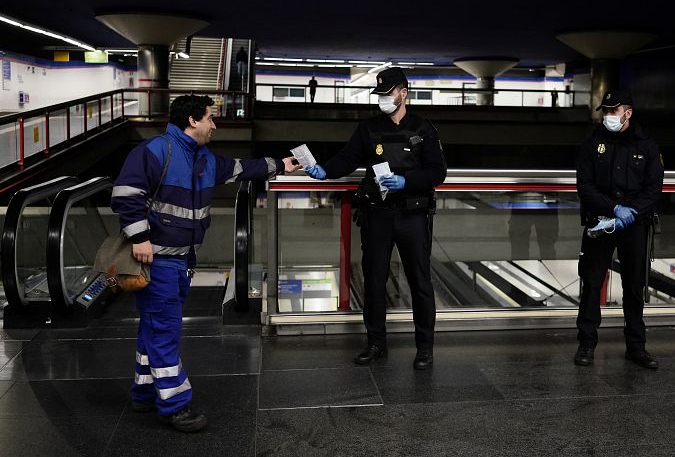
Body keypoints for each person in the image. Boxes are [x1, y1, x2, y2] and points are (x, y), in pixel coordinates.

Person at [111, 95, 299, 432]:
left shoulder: (203, 159)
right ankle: (175, 404)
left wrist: (281, 165)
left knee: (153, 328)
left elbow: (242, 168)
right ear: (193, 120)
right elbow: (125, 194)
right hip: (159, 262)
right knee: (165, 331)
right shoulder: (156, 151)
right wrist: (140, 238)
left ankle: (144, 391)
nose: (214, 125)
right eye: (210, 118)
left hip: (181, 260)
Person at [305, 67, 447, 370]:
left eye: (387, 93)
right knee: (374, 281)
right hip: (377, 214)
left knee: (420, 282)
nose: (382, 99)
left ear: (404, 93)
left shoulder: (423, 129)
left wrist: (407, 183)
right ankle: (375, 343)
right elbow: (348, 157)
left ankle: (425, 348)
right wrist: (325, 171)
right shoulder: (368, 129)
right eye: (379, 94)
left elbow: (438, 171)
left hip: (413, 215)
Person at [574, 90, 664, 370]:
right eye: (606, 111)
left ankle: (636, 347)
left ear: (628, 113)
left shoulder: (647, 146)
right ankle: (587, 344)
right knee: (591, 284)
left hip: (634, 225)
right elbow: (584, 186)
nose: (608, 116)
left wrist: (631, 212)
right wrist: (614, 209)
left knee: (634, 287)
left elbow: (653, 188)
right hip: (600, 223)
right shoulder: (593, 142)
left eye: (614, 111)